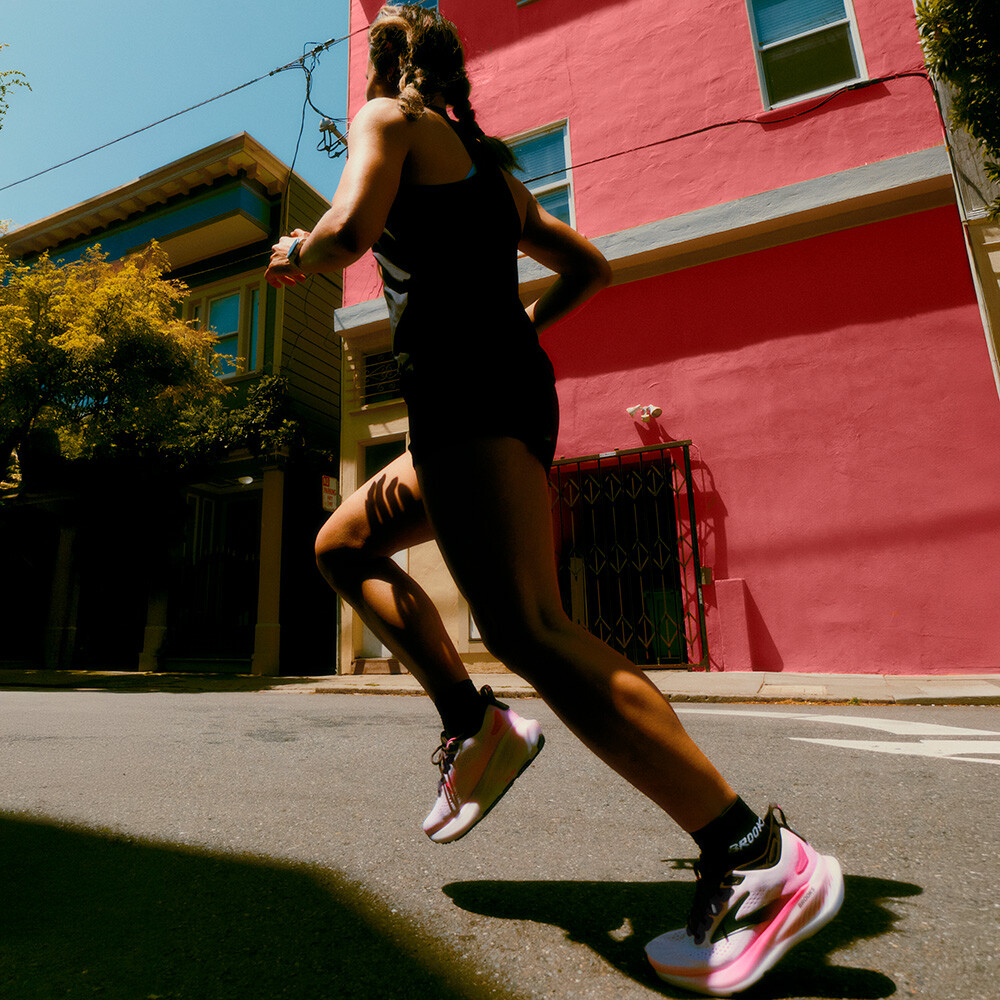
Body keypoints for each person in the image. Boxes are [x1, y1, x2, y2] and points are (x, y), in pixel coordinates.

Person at [265, 5, 844, 995]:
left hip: (465, 395)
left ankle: (753, 853)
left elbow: (351, 230)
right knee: (343, 542)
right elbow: (588, 268)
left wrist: (296, 251)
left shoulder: (389, 120)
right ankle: (472, 722)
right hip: (500, 393)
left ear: (387, 64)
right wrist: (514, 326)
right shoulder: (494, 171)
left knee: (529, 625)